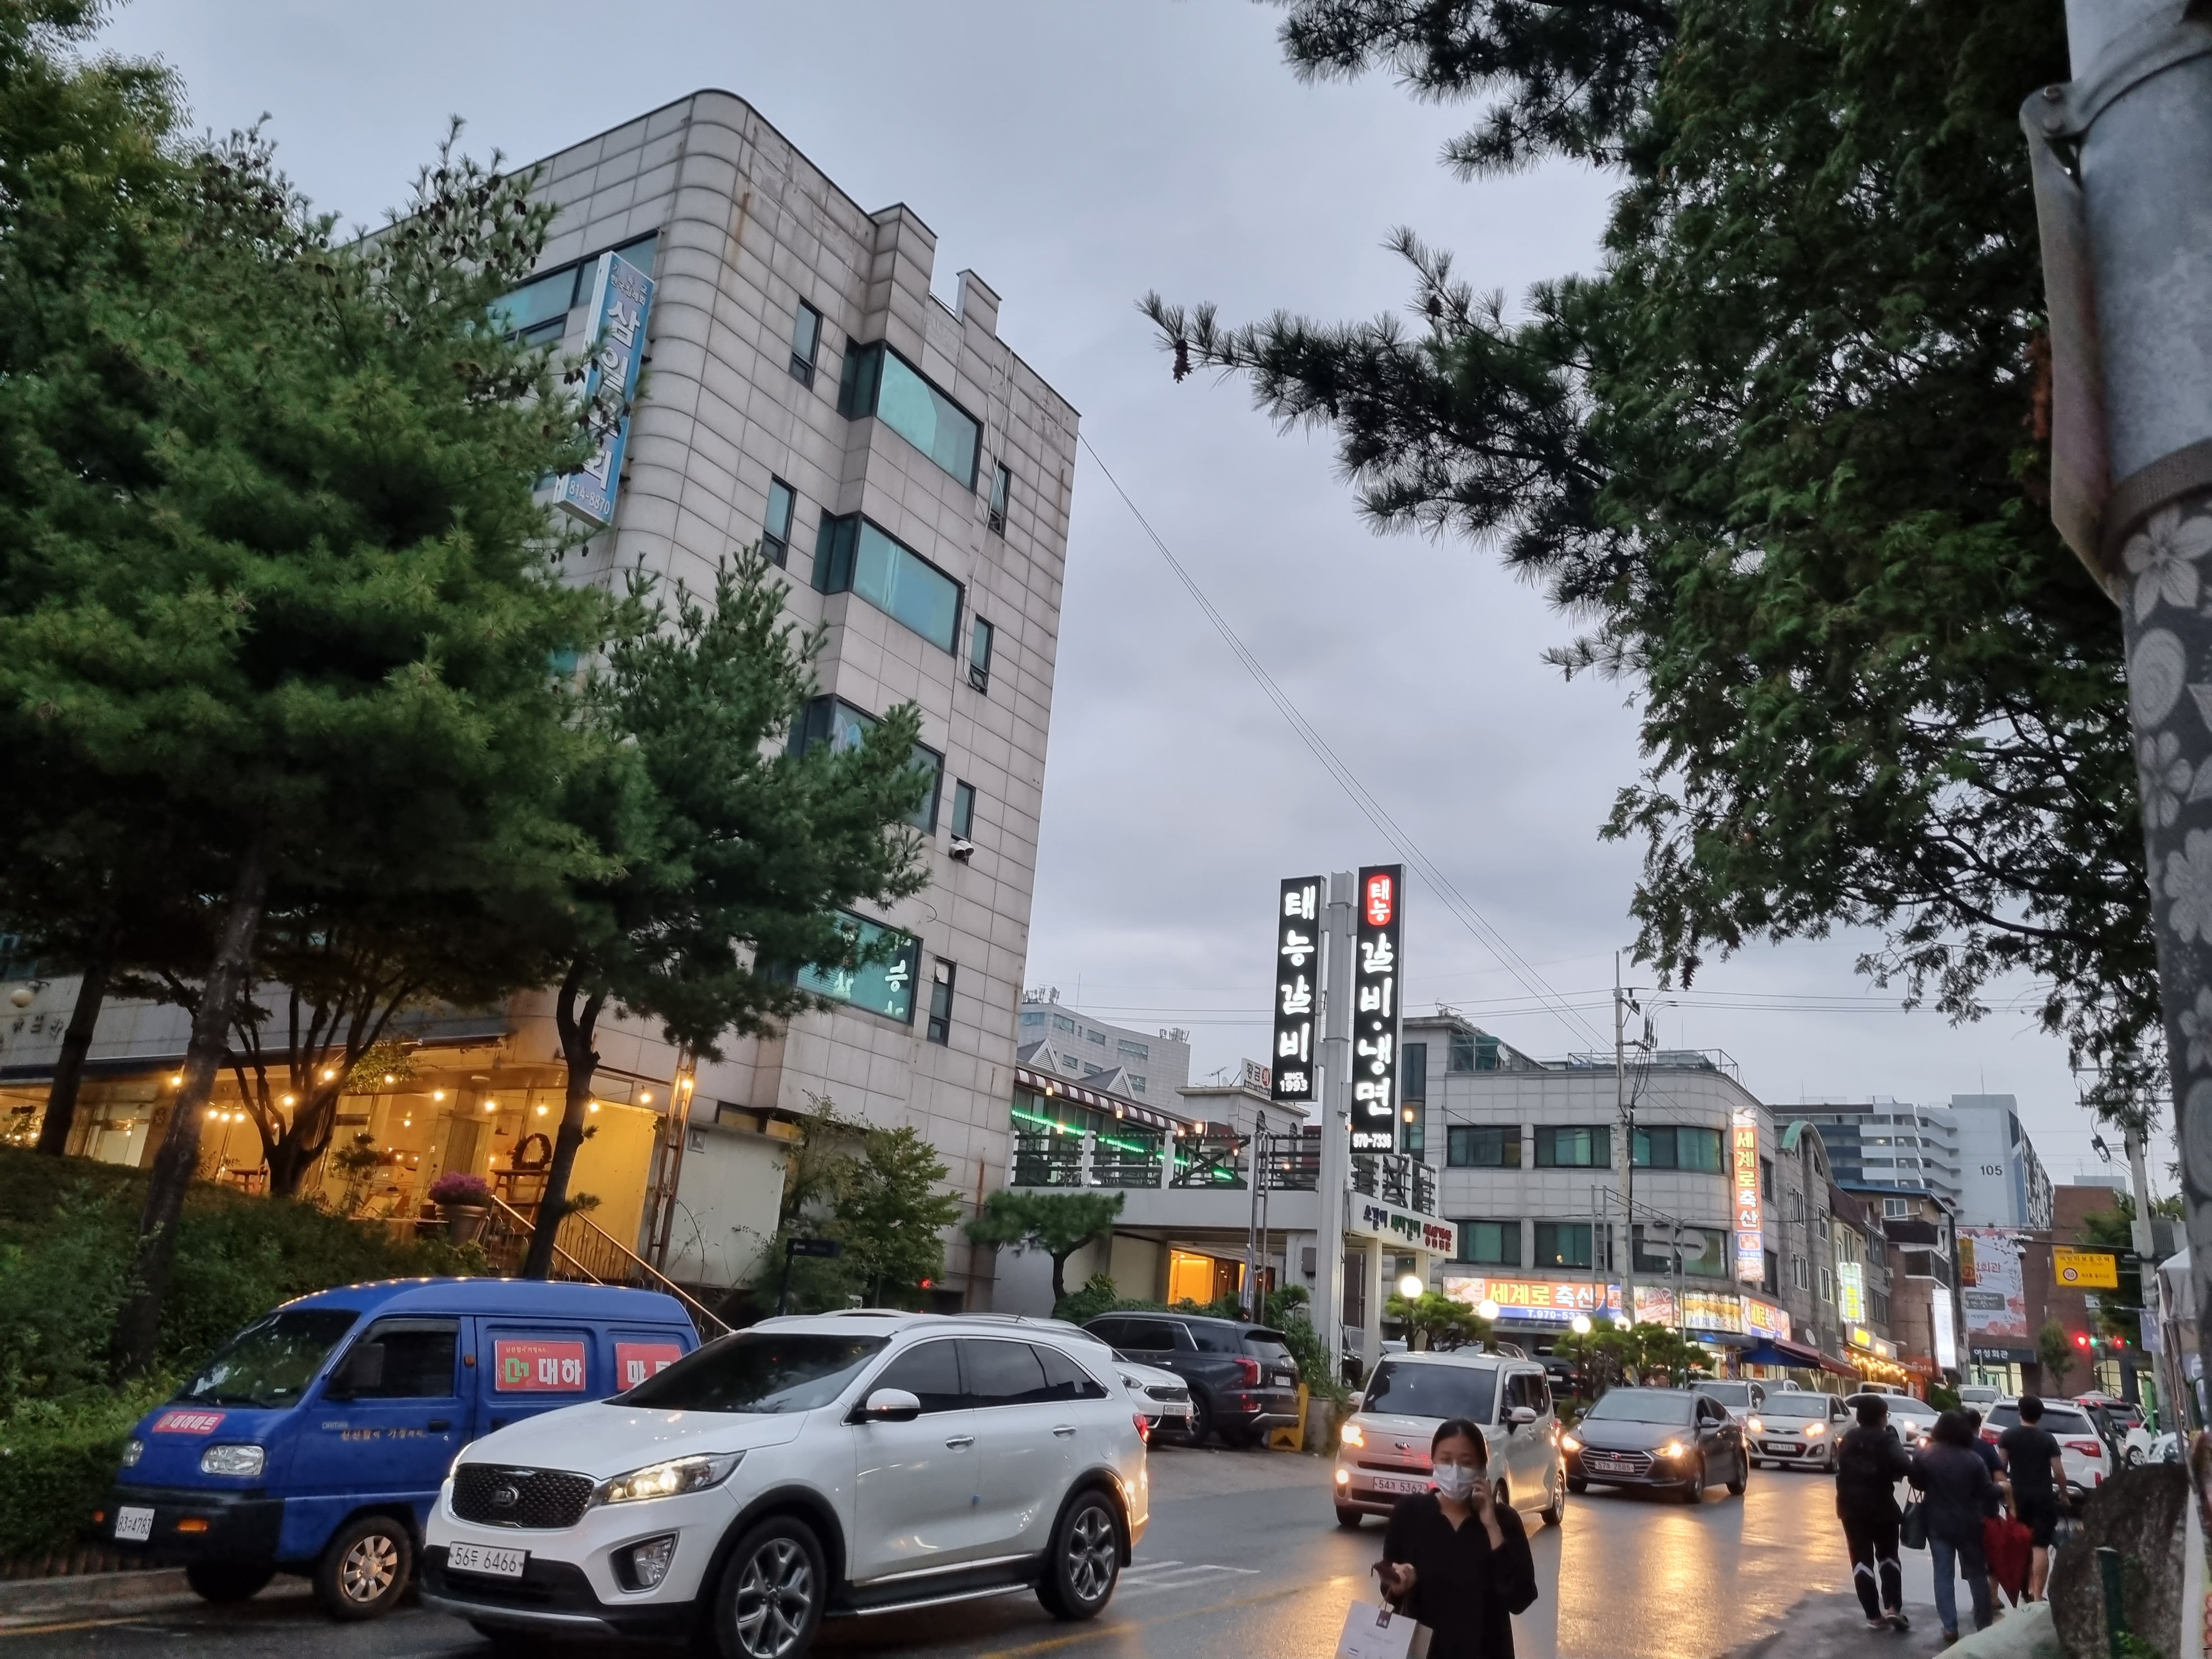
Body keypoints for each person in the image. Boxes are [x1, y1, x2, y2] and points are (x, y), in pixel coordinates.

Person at [1374, 1418, 1539, 1659]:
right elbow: (1389, 1587)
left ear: (1482, 1467)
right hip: (1423, 1652)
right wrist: (1399, 1585)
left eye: (1466, 1462)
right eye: (1446, 1460)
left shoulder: (1505, 1521)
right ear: (1434, 1461)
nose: (1455, 1471)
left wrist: (1491, 1526)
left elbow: (1520, 1599)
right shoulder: (1409, 1514)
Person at [1911, 1408, 2000, 1642]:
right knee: (1976, 1574)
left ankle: (1950, 1626)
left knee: (1943, 1573)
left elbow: (1916, 1482)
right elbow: (1987, 1491)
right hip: (1969, 1523)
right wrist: (2004, 1490)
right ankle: (1983, 1624)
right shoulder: (1974, 1459)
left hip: (1937, 1522)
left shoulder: (1927, 1455)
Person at [1835, 1394, 1914, 1633]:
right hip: (1882, 1508)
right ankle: (1892, 1608)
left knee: (1861, 1561)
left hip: (1850, 1509)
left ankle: (1873, 1616)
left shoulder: (1847, 1439)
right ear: (1882, 1417)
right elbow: (1905, 1465)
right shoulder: (1887, 1439)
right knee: (1888, 1557)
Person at [1996, 1395, 2067, 1601]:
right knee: (2040, 1546)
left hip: (2018, 1498)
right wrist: (2064, 1494)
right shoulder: (2048, 1439)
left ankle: (2023, 1589)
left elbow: (2000, 1468)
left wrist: (2006, 1491)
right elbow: (2059, 1471)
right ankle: (2037, 1595)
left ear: (2020, 1412)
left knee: (2021, 1543)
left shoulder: (2008, 1436)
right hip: (2043, 1497)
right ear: (2040, 1416)